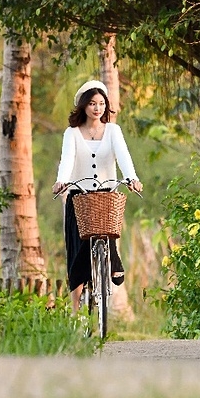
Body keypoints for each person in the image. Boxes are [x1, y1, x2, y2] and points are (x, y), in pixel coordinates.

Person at [52, 79, 143, 315]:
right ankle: (75, 310)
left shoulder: (113, 131)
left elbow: (123, 157)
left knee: (106, 227)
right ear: (83, 106)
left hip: (105, 193)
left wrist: (132, 178)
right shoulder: (72, 133)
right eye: (92, 103)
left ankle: (112, 260)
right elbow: (67, 160)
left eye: (101, 103)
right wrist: (61, 181)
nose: (97, 108)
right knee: (77, 250)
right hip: (79, 196)